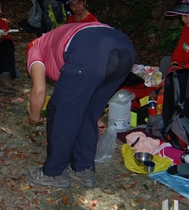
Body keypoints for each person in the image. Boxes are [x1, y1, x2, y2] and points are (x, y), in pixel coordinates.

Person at [25, 22, 135, 189]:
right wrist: (96, 117)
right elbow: (86, 93)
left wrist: (33, 117)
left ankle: (53, 173)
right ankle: (82, 169)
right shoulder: (54, 39)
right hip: (125, 48)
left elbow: (39, 91)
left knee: (60, 110)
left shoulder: (35, 49)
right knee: (88, 111)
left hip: (90, 51)